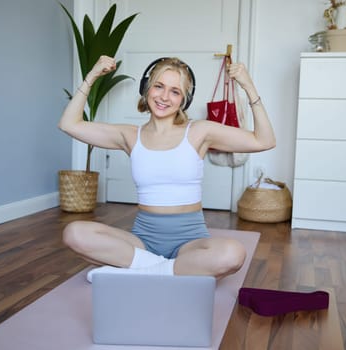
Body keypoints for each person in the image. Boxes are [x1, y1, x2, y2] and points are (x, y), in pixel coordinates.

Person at [58, 55, 275, 282]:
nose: (164, 97)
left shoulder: (199, 132)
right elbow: (69, 124)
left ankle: (146, 270)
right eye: (158, 86)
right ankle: (166, 269)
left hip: (190, 242)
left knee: (233, 254)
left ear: (184, 100)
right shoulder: (130, 135)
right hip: (143, 242)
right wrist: (92, 75)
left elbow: (265, 141)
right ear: (146, 89)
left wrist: (248, 86)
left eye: (175, 91)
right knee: (74, 233)